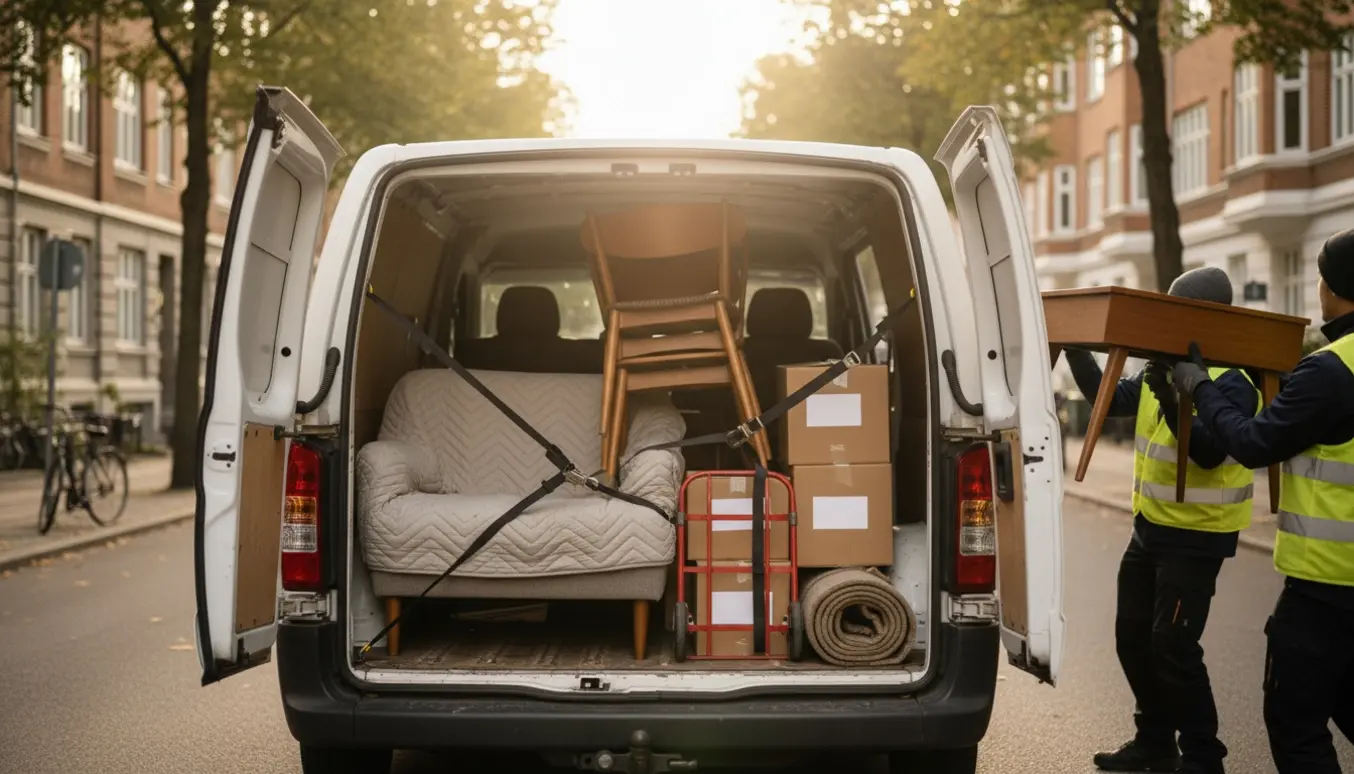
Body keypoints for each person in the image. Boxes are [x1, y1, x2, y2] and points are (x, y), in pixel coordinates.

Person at [1171, 229, 1354, 774]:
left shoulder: (1332, 369)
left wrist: (1201, 387)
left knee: (1297, 727)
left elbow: (1253, 442)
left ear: (1329, 288)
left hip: (1327, 590)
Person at [1064, 267, 1259, 774]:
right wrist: (1075, 345)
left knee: (1173, 647)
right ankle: (1154, 740)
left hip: (1198, 535)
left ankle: (1202, 758)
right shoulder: (1161, 364)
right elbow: (1107, 402)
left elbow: (1211, 453)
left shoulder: (1234, 378)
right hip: (1150, 527)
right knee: (1132, 636)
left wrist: (1178, 393)